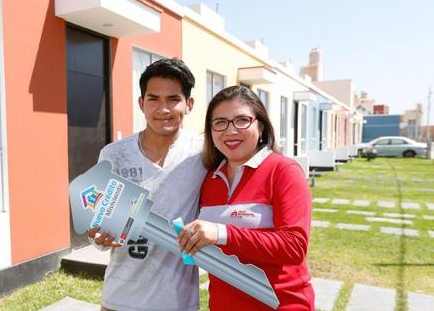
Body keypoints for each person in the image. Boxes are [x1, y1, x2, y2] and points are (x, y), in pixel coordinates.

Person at [177, 85, 314, 310]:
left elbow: (294, 246)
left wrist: (222, 233)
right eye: (220, 122)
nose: (230, 131)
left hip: (282, 304)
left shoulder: (284, 171)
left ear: (260, 126)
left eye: (242, 120)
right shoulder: (209, 178)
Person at [88, 58, 207, 311]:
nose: (163, 109)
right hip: (120, 300)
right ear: (141, 104)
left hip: (179, 302)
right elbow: (98, 225)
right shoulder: (113, 155)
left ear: (189, 104)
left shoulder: (204, 154)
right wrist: (100, 237)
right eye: (153, 99)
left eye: (173, 99)